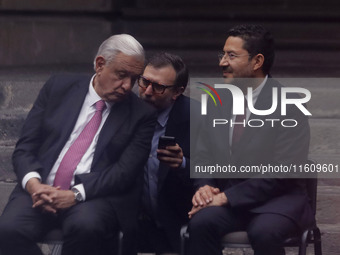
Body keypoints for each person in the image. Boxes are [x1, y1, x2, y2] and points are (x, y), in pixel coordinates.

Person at [0, 34, 157, 255]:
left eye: (134, 78)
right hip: (40, 189)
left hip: (94, 197)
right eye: (121, 75)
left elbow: (123, 172)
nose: (127, 86)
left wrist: (74, 195)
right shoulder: (58, 88)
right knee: (8, 230)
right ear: (100, 64)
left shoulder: (141, 114)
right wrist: (34, 185)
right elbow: (25, 147)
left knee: (86, 228)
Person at [187, 25, 314, 255]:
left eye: (231, 55)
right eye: (222, 54)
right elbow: (202, 155)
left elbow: (282, 172)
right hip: (231, 201)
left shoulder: (290, 106)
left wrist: (227, 197)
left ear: (257, 62)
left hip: (278, 201)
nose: (222, 62)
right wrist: (204, 186)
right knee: (201, 224)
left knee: (263, 232)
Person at [137, 52, 194, 254]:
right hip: (135, 220)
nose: (147, 91)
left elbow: (214, 173)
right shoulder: (126, 110)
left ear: (177, 92)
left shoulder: (198, 118)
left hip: (179, 216)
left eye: (158, 87)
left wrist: (183, 164)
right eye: (144, 82)